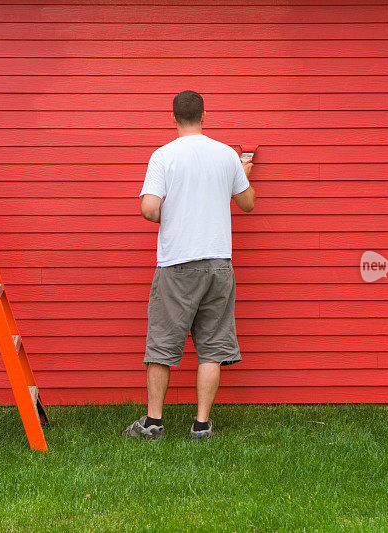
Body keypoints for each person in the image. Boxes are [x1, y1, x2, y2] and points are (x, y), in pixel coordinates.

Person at [122, 90, 256, 440]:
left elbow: (149, 208)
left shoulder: (164, 156)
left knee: (163, 346)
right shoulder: (226, 155)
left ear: (173, 118)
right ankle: (201, 425)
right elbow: (248, 204)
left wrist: (173, 214)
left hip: (177, 265)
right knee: (212, 347)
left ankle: (153, 423)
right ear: (204, 115)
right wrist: (242, 174)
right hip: (218, 264)